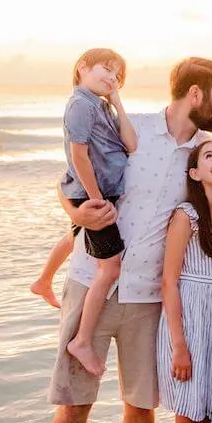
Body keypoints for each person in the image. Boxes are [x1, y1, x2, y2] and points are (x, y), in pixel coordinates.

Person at [47, 57, 212, 423]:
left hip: (150, 298)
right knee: (74, 405)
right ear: (195, 93)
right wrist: (73, 212)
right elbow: (70, 173)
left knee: (142, 405)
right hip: (91, 279)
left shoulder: (208, 154)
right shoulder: (130, 128)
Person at [32, 48, 137, 378]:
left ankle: (43, 281)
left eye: (117, 74)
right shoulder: (80, 104)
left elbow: (131, 145)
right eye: (106, 70)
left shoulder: (101, 104)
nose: (112, 77)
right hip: (95, 196)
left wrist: (117, 99)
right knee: (110, 267)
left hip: (97, 194)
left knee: (75, 234)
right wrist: (96, 200)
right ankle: (81, 341)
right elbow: (79, 156)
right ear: (82, 68)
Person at [157, 140, 212, 423]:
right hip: (188, 323)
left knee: (204, 419)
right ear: (195, 172)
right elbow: (168, 281)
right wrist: (179, 346)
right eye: (209, 156)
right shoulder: (187, 215)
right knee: (187, 422)